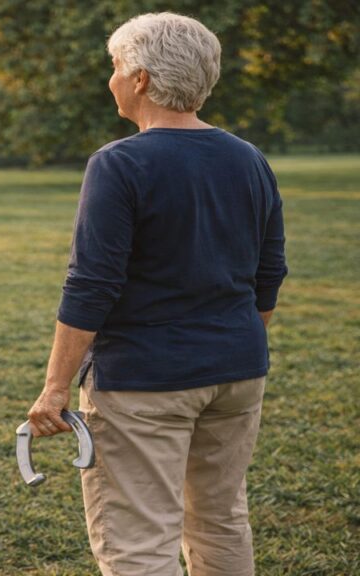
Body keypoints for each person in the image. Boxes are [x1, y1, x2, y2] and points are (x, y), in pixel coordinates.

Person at [24, 12, 288, 576]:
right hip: (238, 373)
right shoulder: (250, 159)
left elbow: (91, 284)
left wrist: (54, 387)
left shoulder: (119, 163)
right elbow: (270, 272)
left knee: (139, 542)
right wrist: (227, 344)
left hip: (144, 383)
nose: (112, 80)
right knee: (221, 523)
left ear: (141, 79)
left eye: (116, 67)